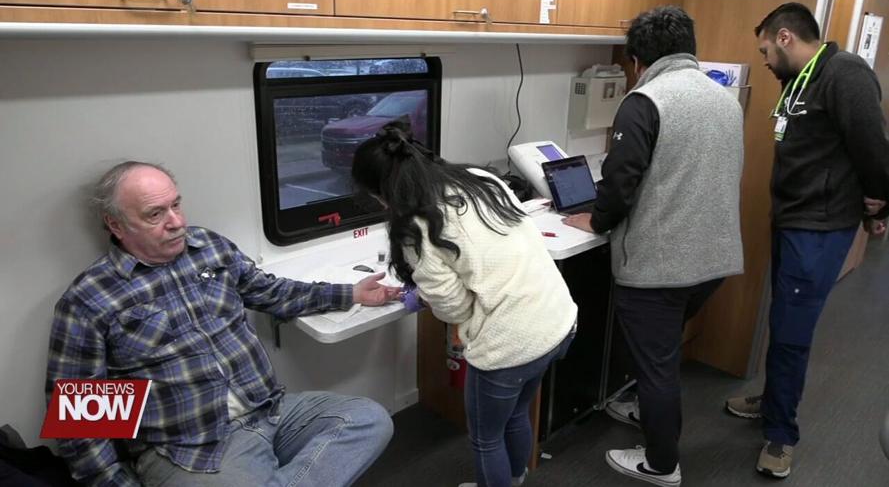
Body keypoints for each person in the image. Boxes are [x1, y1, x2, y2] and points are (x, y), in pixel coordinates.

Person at [45, 161, 400, 487]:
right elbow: (82, 423)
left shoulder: (209, 248)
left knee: (369, 419)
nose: (177, 222)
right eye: (155, 214)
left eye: (176, 205)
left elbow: (272, 293)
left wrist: (350, 294)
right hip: (189, 448)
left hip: (271, 413)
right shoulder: (91, 298)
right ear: (116, 224)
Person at [561, 6, 744, 486]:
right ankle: (641, 405)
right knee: (658, 350)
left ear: (638, 61)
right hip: (716, 258)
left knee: (657, 362)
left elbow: (619, 185)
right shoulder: (724, 97)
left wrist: (593, 221)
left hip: (664, 264)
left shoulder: (646, 100)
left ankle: (661, 463)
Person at [352, 120, 577, 487]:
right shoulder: (478, 179)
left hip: (512, 342)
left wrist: (421, 294)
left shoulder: (415, 226)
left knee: (486, 437)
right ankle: (515, 479)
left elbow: (453, 309)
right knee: (517, 414)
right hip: (556, 321)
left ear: (382, 192)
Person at [725, 2, 889, 479]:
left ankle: (781, 436)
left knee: (793, 332)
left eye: (764, 50)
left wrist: (879, 203)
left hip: (818, 227)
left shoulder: (846, 74)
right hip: (794, 220)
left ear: (784, 39)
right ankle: (773, 399)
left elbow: (873, 148)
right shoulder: (799, 79)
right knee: (783, 319)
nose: (763, 60)